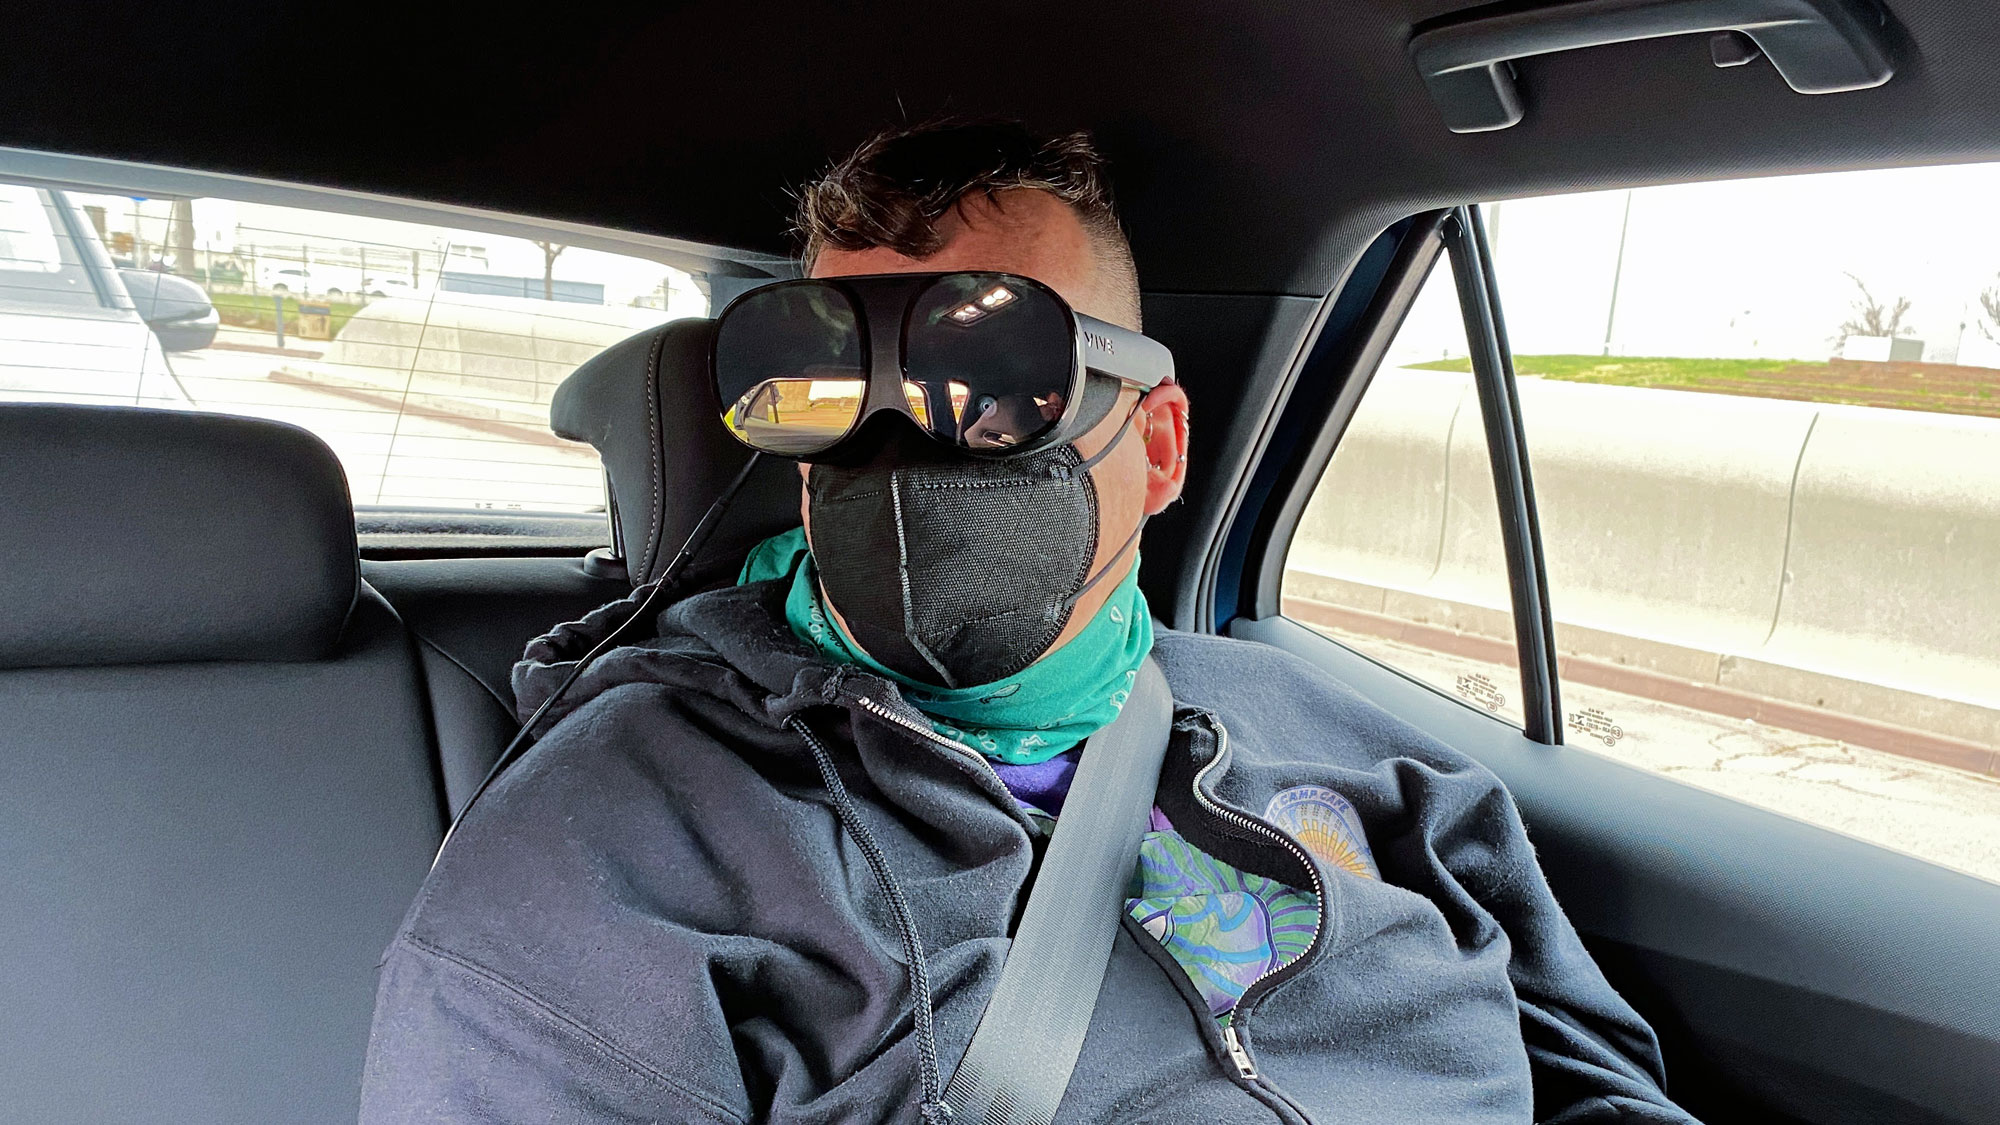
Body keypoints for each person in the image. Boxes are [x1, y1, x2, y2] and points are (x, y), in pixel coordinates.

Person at [361, 120, 1698, 1124]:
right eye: (825, 377)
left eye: (990, 372)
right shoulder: (623, 843)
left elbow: (1598, 1084)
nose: (900, 437)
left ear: (1161, 447)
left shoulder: (1345, 743)